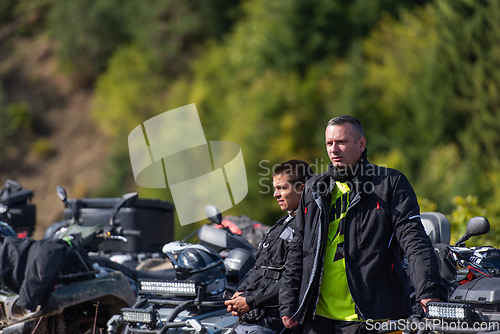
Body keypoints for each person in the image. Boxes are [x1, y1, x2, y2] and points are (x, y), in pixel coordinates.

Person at [279, 115, 443, 334]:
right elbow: (297, 249)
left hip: (371, 314)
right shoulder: (314, 187)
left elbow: (414, 241)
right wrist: (289, 303)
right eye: (329, 143)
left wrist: (427, 291)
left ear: (361, 144)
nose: (334, 149)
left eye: (341, 142)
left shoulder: (390, 183)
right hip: (317, 316)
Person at [225, 159, 313, 334]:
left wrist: (250, 301)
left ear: (302, 189)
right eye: (275, 188)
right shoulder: (282, 224)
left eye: (281, 188)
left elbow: (295, 279)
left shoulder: (311, 229)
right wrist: (239, 294)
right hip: (252, 319)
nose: (275, 194)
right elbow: (260, 267)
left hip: (275, 322)